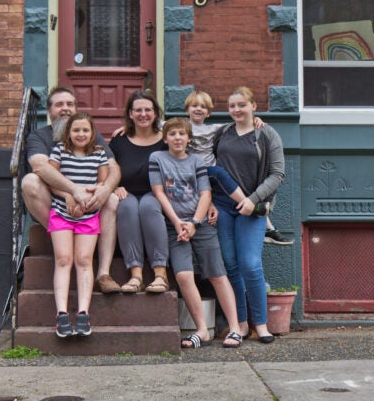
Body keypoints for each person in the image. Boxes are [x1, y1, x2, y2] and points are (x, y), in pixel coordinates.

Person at [148, 117, 244, 349]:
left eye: (182, 134)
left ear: (189, 138)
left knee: (217, 273)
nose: (177, 138)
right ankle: (202, 330)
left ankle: (235, 328)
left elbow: (205, 195)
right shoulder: (157, 158)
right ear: (165, 138)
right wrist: (178, 222)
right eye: (172, 134)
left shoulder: (197, 161)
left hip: (199, 224)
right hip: (174, 226)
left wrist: (193, 223)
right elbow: (159, 193)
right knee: (183, 275)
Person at [22, 87, 122, 294]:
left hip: (90, 202)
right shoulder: (39, 136)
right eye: (59, 105)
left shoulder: (90, 135)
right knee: (30, 182)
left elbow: (114, 168)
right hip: (57, 203)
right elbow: (41, 167)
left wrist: (105, 189)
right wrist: (71, 192)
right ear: (49, 111)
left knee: (111, 199)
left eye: (70, 104)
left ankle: (103, 274)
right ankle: (65, 236)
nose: (65, 109)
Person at [212, 86, 285, 344]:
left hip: (252, 209)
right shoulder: (222, 133)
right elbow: (204, 157)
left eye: (242, 105)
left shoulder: (266, 133)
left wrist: (252, 201)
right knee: (231, 265)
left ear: (253, 105)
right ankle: (241, 324)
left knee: (250, 264)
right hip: (222, 207)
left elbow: (277, 174)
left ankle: (261, 325)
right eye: (232, 106)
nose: (236, 110)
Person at [184, 90, 293, 246]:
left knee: (218, 173)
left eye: (203, 107)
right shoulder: (181, 126)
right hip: (196, 173)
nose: (198, 109)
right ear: (187, 109)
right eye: (194, 106)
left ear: (208, 113)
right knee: (218, 172)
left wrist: (255, 120)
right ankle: (262, 216)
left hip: (212, 177)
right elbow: (161, 128)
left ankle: (267, 225)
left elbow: (241, 123)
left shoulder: (217, 129)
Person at [47, 112, 109, 337]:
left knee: (84, 260)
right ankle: (61, 313)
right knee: (63, 259)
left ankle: (83, 312)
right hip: (62, 212)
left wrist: (86, 201)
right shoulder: (60, 151)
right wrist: (68, 195)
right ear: (68, 133)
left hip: (88, 213)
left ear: (92, 133)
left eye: (85, 130)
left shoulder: (99, 154)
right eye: (76, 130)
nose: (80, 134)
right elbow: (52, 180)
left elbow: (102, 182)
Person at [109, 90, 170, 294]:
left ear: (155, 113)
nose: (143, 114)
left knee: (148, 206)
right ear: (130, 114)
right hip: (126, 193)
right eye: (138, 110)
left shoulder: (166, 140)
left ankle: (160, 274)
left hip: (157, 193)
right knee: (126, 207)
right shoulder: (119, 140)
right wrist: (114, 185)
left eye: (148, 110)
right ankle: (136, 275)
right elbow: (108, 168)